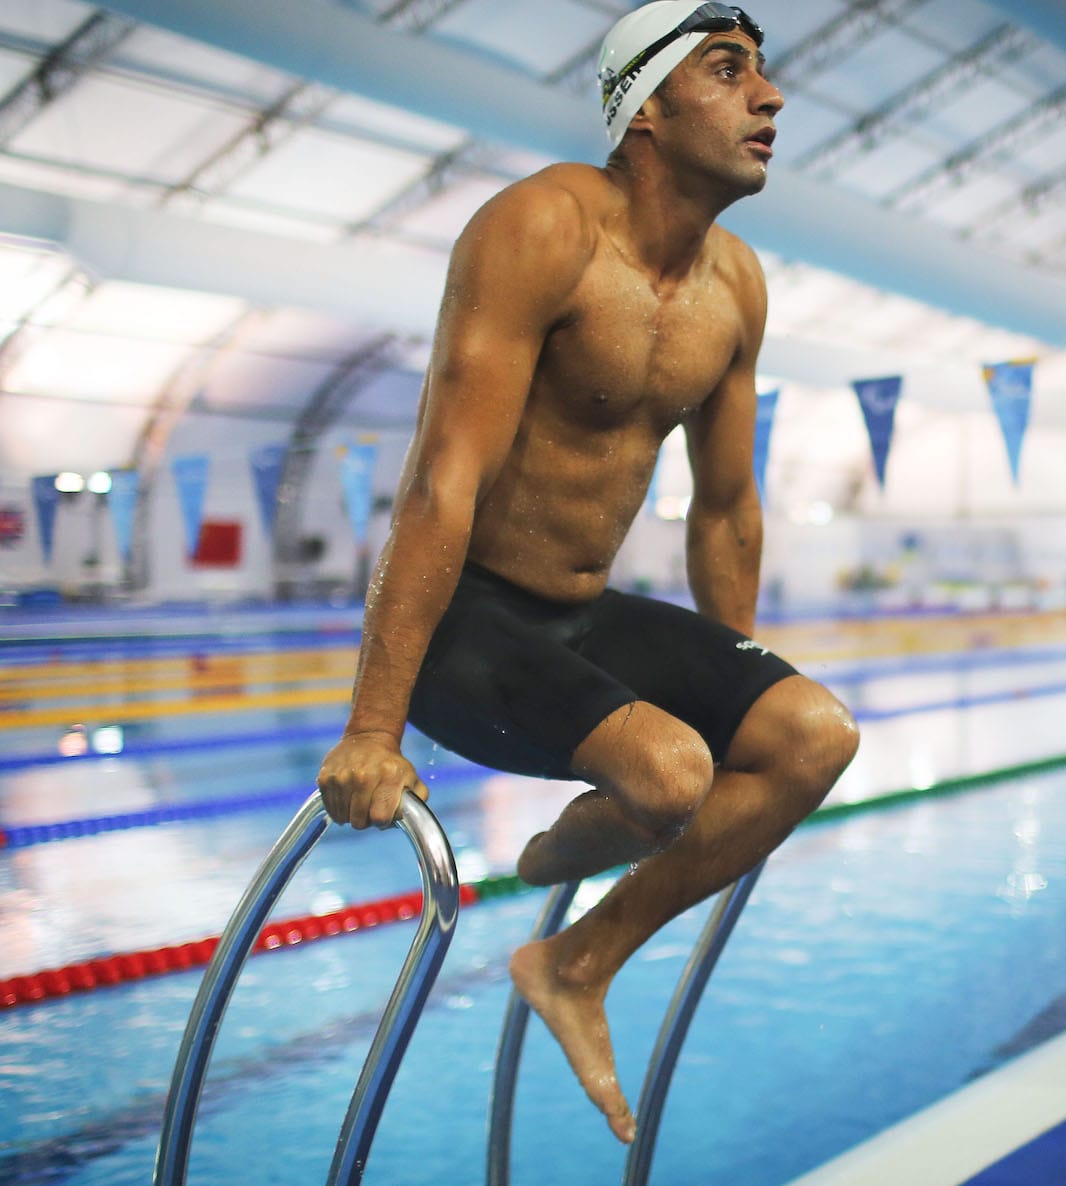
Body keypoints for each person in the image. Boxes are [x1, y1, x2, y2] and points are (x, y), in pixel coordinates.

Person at [316, 2, 859, 1144]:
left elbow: (725, 507)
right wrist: (374, 727)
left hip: (579, 614)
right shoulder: (539, 230)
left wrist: (738, 689)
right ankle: (599, 836)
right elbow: (438, 485)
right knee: (668, 778)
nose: (771, 98)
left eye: (765, 73)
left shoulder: (738, 285)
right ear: (647, 109)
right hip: (470, 624)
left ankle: (576, 959)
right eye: (730, 72)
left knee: (812, 735)